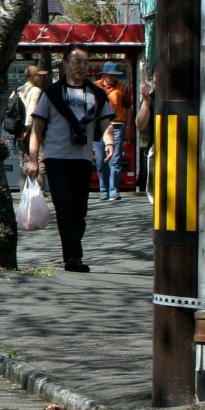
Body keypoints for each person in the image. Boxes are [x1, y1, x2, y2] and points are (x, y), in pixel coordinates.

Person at [25, 47, 115, 272]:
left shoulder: (96, 94)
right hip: (56, 159)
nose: (81, 66)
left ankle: (73, 247)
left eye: (85, 62)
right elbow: (37, 129)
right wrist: (33, 159)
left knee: (80, 211)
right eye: (76, 61)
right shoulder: (51, 94)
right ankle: (73, 257)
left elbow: (106, 123)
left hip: (83, 159)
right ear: (65, 64)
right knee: (65, 208)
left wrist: (110, 142)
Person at [94, 61, 132, 202]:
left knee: (116, 160)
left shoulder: (122, 87)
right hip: (99, 127)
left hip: (116, 125)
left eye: (115, 75)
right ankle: (103, 190)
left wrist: (127, 127)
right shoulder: (95, 86)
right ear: (104, 75)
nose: (112, 78)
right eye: (110, 75)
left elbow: (128, 106)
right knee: (100, 160)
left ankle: (114, 191)